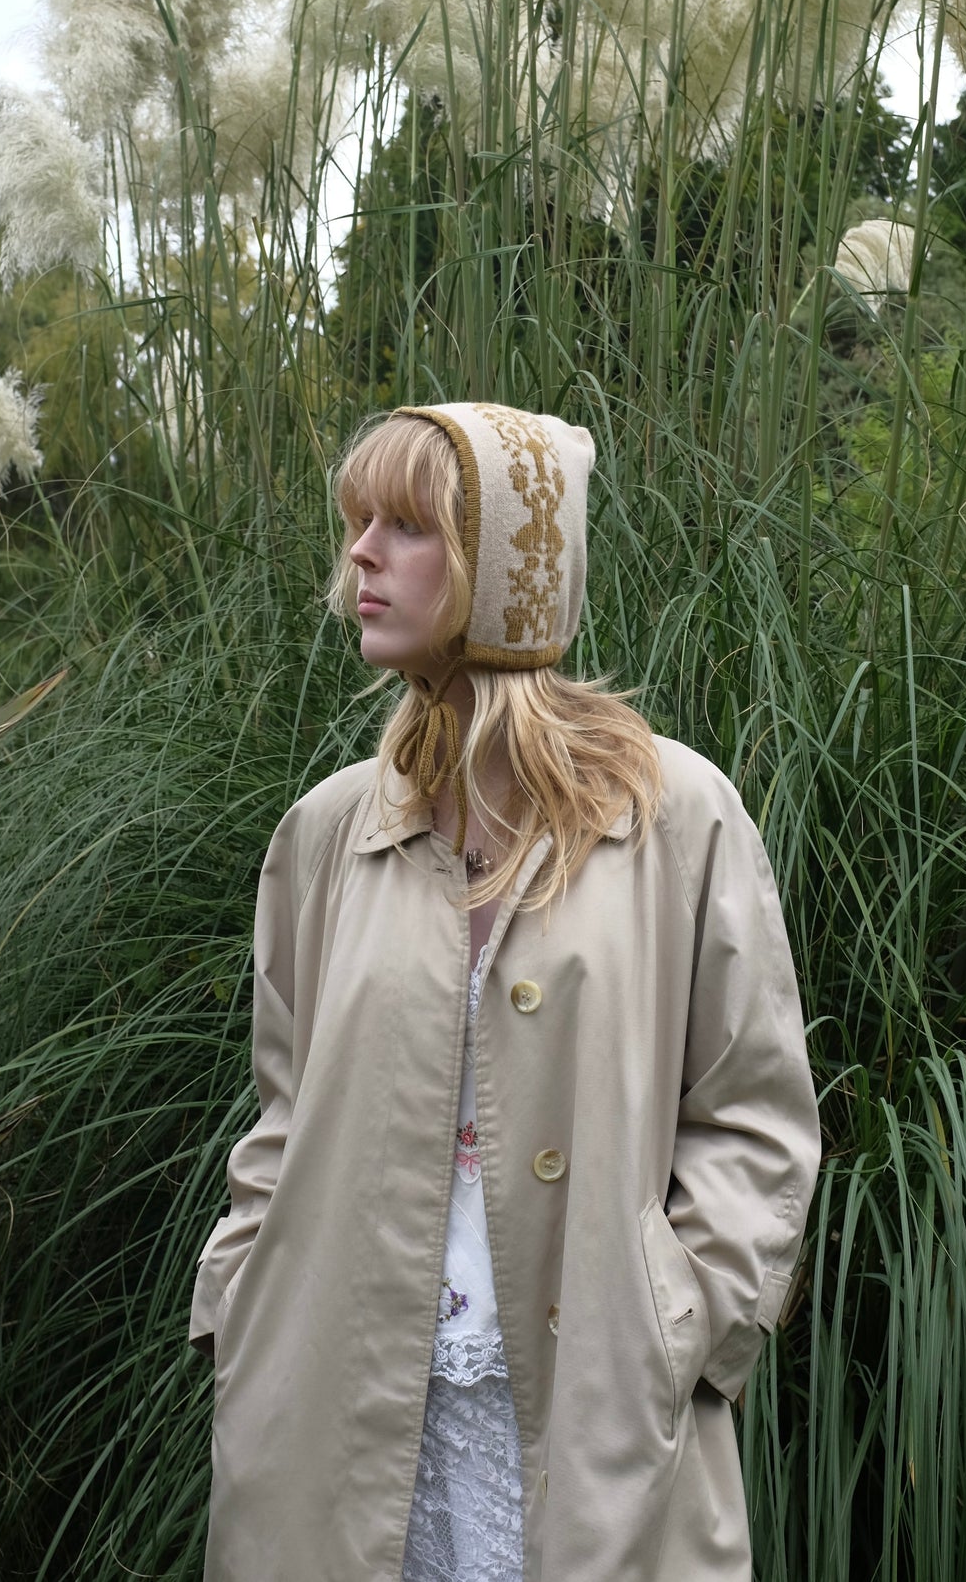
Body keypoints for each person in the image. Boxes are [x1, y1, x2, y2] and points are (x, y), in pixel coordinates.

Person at [188, 402, 821, 1582]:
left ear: (502, 566)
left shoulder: (670, 817)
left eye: (406, 525)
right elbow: (280, 1110)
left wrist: (676, 1320)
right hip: (336, 1411)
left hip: (587, 1414)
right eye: (356, 521)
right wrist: (243, 1298)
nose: (361, 553)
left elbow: (754, 1111)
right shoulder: (328, 831)